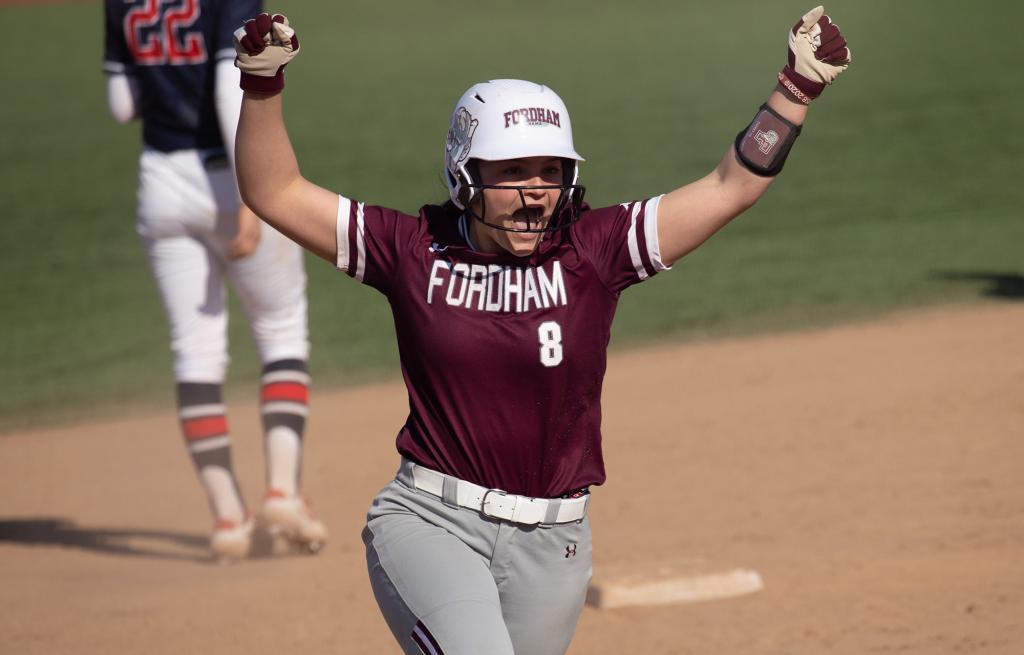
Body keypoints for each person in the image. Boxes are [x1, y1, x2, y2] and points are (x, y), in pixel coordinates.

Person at [232, 6, 850, 652]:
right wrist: (262, 85)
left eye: (550, 173)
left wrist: (796, 91)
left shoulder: (593, 251)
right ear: (465, 175)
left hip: (556, 542)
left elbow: (731, 186)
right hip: (432, 522)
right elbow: (274, 190)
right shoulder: (413, 249)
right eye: (513, 173)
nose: (536, 193)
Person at [102, 0, 326, 561]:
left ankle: (227, 516)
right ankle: (281, 492)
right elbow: (235, 91)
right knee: (281, 332)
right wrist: (253, 201)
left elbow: (121, 104)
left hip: (160, 181)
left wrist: (168, 84)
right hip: (232, 178)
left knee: (195, 351)